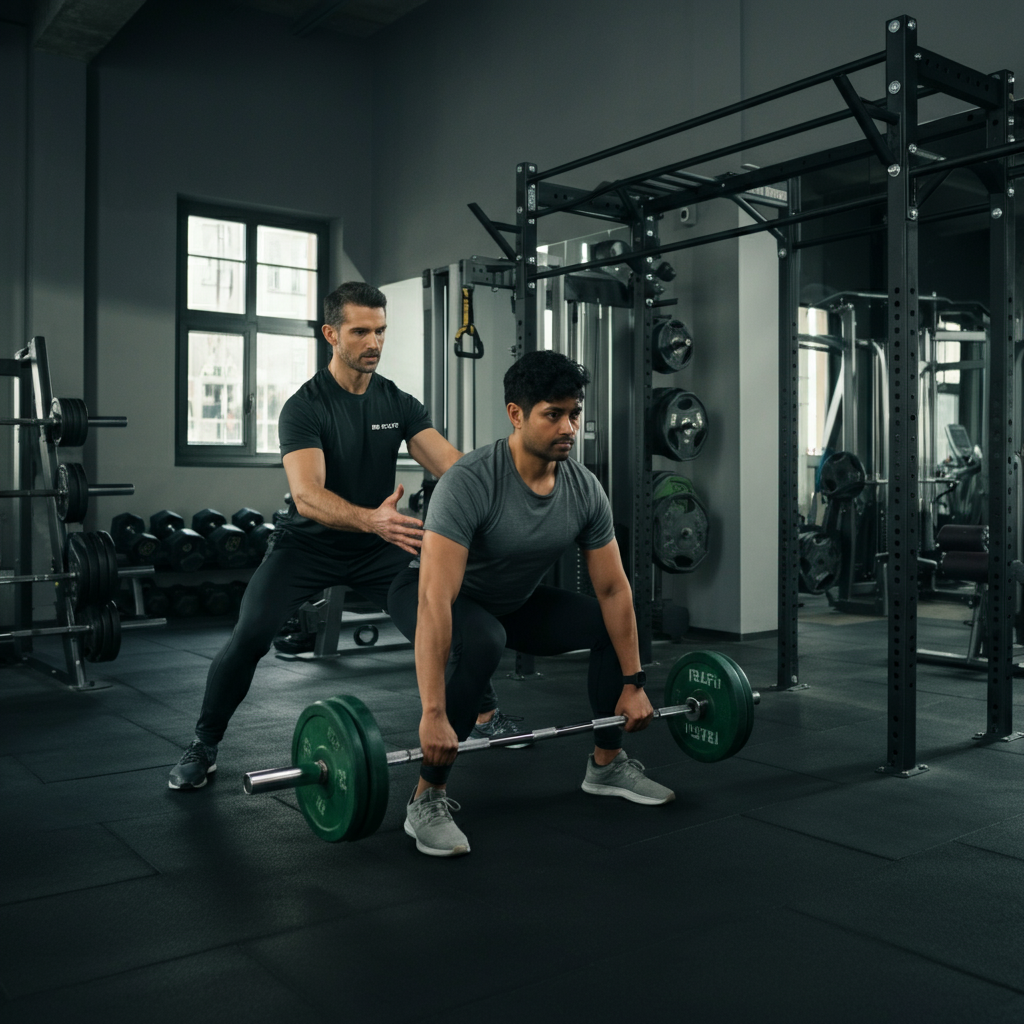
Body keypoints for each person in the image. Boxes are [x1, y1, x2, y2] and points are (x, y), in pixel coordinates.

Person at [168, 282, 524, 790]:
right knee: (249, 637)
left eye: (380, 331)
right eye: (360, 331)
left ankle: (485, 717)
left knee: (441, 619)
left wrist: (511, 493)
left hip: (379, 549)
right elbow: (308, 495)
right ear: (331, 334)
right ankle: (203, 744)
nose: (374, 342)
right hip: (305, 546)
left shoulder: (398, 402)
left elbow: (454, 467)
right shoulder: (305, 407)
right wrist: (371, 519)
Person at [388, 350, 673, 857]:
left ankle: (607, 765)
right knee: (481, 638)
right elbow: (436, 600)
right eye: (553, 414)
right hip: (432, 595)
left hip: (510, 601)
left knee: (608, 623)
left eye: (574, 413)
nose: (569, 427)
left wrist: (634, 682)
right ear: (516, 414)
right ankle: (426, 796)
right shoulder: (471, 482)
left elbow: (613, 590)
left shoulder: (583, 489)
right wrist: (432, 712)